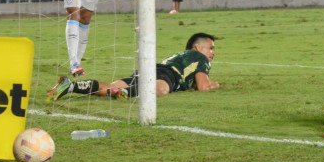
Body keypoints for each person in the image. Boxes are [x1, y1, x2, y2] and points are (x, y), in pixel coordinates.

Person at [47, 33, 219, 101]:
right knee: (161, 90)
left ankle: (70, 86)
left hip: (152, 69)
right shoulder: (200, 58)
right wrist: (214, 85)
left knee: (109, 87)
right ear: (198, 47)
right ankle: (124, 92)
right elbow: (203, 87)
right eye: (210, 48)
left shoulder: (185, 56)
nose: (213, 53)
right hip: (167, 75)